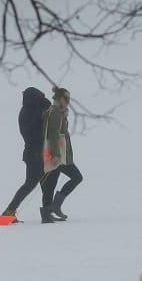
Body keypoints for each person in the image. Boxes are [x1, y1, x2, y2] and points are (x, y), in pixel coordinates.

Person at [2, 87, 51, 223]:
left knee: (41, 181)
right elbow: (34, 134)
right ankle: (9, 211)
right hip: (33, 154)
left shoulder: (32, 110)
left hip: (37, 153)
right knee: (30, 183)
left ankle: (47, 210)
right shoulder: (28, 114)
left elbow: (46, 107)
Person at [42, 87, 84, 222]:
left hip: (59, 153)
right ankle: (54, 206)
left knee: (50, 184)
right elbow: (53, 135)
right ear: (59, 98)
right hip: (58, 155)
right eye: (66, 98)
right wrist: (56, 155)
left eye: (69, 98)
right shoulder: (55, 112)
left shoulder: (58, 112)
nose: (68, 101)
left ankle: (48, 213)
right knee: (77, 177)